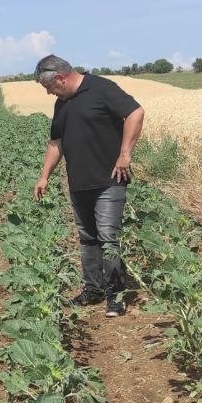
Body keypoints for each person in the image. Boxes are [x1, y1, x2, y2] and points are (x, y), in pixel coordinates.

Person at [32, 54, 144, 316]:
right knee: (87, 239)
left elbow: (135, 112)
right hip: (79, 182)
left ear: (60, 78)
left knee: (107, 237)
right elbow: (55, 143)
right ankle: (93, 288)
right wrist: (44, 175)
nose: (49, 93)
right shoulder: (63, 104)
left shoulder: (101, 88)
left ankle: (115, 295)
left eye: (49, 87)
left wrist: (125, 154)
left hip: (109, 180)